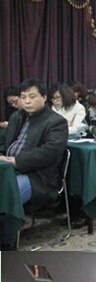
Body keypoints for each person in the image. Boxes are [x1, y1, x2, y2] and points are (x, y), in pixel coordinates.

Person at [0, 78, 68, 249]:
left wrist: (16, 162)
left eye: (32, 96)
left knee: (5, 195)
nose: (27, 101)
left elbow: (49, 153)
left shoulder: (56, 121)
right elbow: (4, 141)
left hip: (38, 177)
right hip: (9, 169)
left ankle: (7, 244)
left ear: (44, 97)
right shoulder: (18, 117)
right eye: (23, 97)